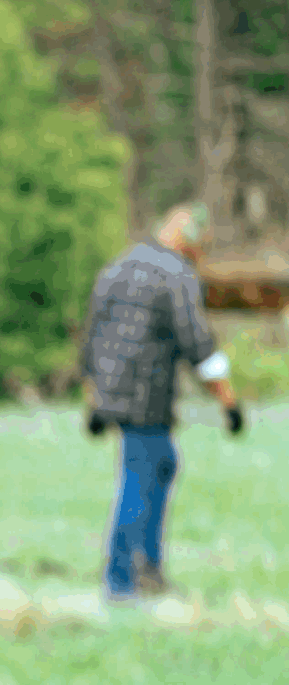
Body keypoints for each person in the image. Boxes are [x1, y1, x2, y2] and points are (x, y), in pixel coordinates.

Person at [81, 202, 245, 600]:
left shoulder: (117, 267)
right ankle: (123, 580)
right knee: (140, 476)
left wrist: (94, 397)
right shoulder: (176, 274)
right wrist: (229, 401)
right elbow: (198, 343)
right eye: (200, 245)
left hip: (111, 393)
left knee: (162, 463)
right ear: (188, 241)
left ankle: (148, 569)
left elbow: (92, 335)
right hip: (146, 395)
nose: (200, 254)